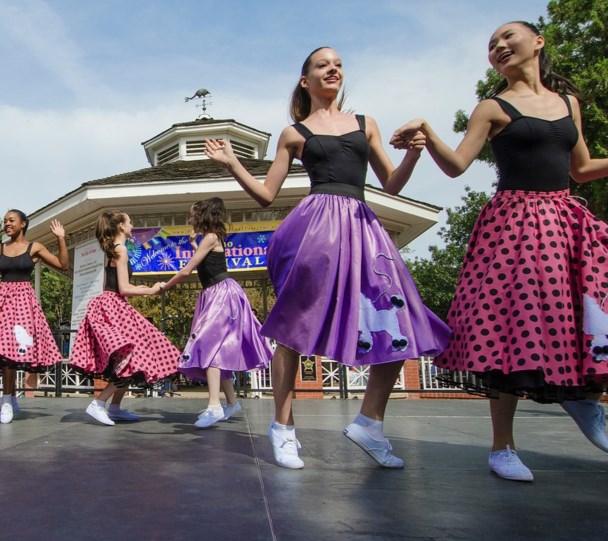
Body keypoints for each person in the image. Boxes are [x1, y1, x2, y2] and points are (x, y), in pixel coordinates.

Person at [205, 47, 449, 469]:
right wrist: (232, 163)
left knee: (395, 321)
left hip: (362, 227)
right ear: (306, 80)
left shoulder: (364, 124)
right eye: (323, 64)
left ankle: (369, 423)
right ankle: (282, 427)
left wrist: (413, 153)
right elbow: (266, 196)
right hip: (315, 230)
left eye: (338, 64)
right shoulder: (293, 133)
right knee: (294, 329)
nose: (333, 69)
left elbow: (390, 184)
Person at [391, 21, 608, 482]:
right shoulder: (492, 107)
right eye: (492, 45)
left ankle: (581, 397)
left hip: (564, 221)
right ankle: (502, 447)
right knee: (508, 329)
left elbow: (583, 167)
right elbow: (456, 167)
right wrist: (428, 131)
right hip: (515, 224)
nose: (500, 46)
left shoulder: (568, 104)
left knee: (576, 313)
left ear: (538, 42)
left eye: (508, 37)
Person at [160, 198, 272, 428]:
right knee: (216, 347)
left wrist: (162, 287)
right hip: (215, 294)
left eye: (192, 214)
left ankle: (214, 406)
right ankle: (231, 402)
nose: (189, 218)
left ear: (202, 215)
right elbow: (207, 264)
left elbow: (187, 270)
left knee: (209, 346)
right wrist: (193, 245)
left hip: (221, 295)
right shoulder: (209, 239)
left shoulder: (210, 237)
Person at [69, 210, 179, 426]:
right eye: (129, 221)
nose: (132, 225)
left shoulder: (113, 250)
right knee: (131, 354)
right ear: (120, 225)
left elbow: (110, 286)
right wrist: (151, 290)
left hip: (112, 305)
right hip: (114, 306)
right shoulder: (120, 250)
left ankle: (116, 407)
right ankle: (98, 403)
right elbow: (123, 288)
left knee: (130, 354)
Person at [0, 210, 68, 423]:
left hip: (24, 302)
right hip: (2, 301)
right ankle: (8, 400)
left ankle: (9, 401)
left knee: (14, 350)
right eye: (5, 221)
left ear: (23, 224)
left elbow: (63, 265)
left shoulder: (35, 248)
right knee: (4, 351)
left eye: (11, 220)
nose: (7, 224)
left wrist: (61, 238)